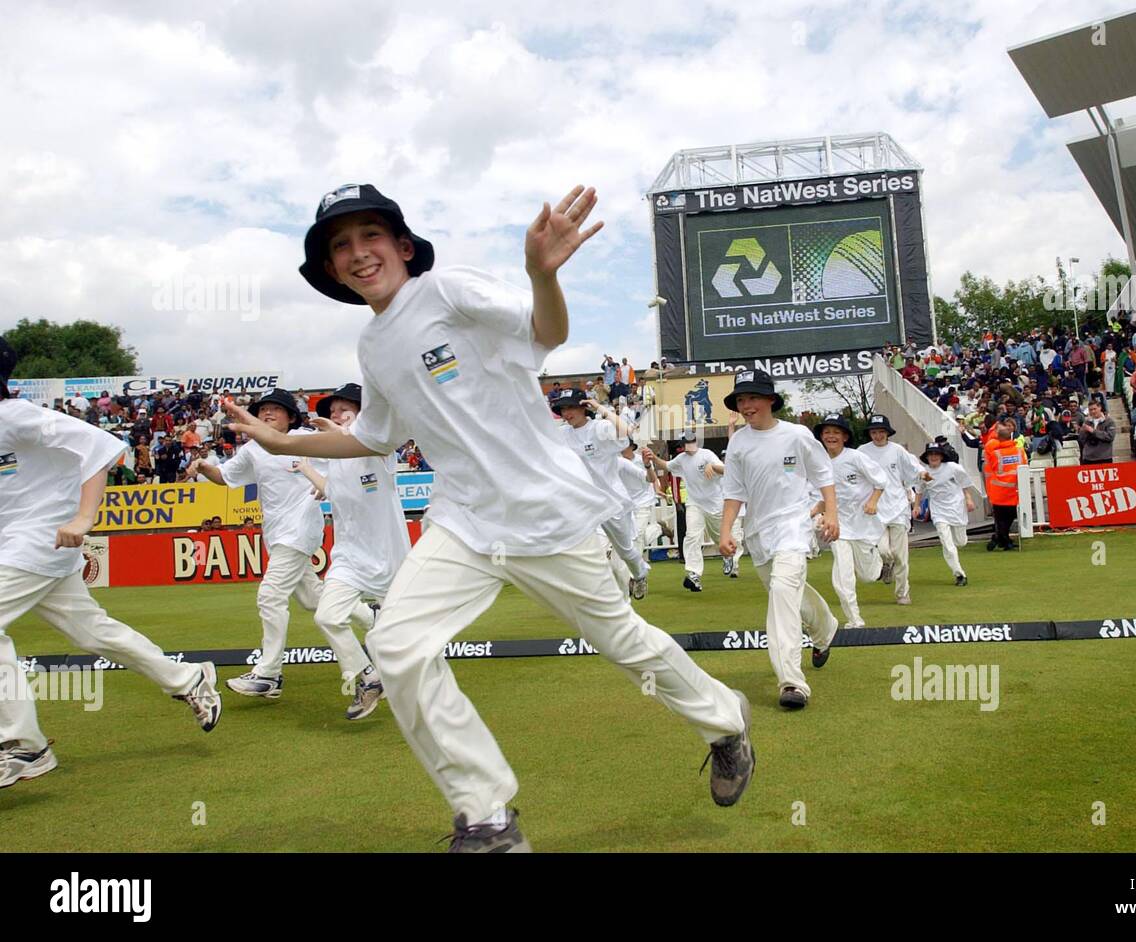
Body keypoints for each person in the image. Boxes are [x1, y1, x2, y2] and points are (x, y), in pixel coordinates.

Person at [227, 182, 753, 851]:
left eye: (371, 236)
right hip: (467, 521)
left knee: (626, 644)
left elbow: (546, 332)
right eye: (341, 246)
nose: (359, 253)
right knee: (396, 646)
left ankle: (723, 720)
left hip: (547, 513)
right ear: (331, 270)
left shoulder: (445, 291)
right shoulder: (371, 348)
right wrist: (283, 442)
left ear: (403, 246)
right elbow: (375, 436)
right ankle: (488, 817)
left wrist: (541, 272)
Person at [0, 338, 220, 790]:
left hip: (39, 542)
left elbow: (101, 444)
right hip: (29, 547)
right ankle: (189, 677)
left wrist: (84, 517)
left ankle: (25, 744)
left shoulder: (14, 416)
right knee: (93, 630)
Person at [187, 388, 376, 699]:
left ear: (291, 416)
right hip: (275, 534)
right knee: (313, 598)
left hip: (301, 529)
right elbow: (223, 476)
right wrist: (204, 467)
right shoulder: (253, 449)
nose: (268, 413)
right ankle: (371, 616)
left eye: (276, 409)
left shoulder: (306, 439)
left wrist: (331, 483)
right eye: (263, 410)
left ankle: (269, 673)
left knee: (271, 595)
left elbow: (347, 458)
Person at [718, 370, 838, 710]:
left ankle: (792, 683)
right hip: (758, 534)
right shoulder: (739, 441)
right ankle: (826, 628)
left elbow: (824, 475)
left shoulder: (797, 435)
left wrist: (832, 514)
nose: (746, 406)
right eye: (741, 400)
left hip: (794, 528)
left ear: (771, 400)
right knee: (789, 595)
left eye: (753, 398)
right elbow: (734, 491)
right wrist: (727, 532)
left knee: (783, 594)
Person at [292, 383, 412, 720]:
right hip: (348, 557)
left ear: (362, 414)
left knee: (400, 639)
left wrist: (339, 432)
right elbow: (332, 490)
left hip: (391, 558)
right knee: (327, 617)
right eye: (331, 412)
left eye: (344, 410)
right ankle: (370, 678)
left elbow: (369, 442)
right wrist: (306, 469)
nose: (335, 416)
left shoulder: (380, 446)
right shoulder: (334, 460)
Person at [552, 387, 650, 600]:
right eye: (563, 409)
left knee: (625, 551)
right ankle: (601, 597)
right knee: (587, 549)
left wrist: (600, 408)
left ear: (583, 407)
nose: (566, 414)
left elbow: (626, 431)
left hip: (613, 501)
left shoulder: (600, 428)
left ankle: (640, 574)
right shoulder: (561, 434)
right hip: (585, 503)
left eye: (571, 408)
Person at [644, 430, 743, 590]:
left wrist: (713, 467)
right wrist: (653, 458)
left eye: (688, 442)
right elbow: (667, 466)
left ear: (695, 441)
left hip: (714, 504)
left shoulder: (707, 454)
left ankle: (727, 556)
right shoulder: (682, 459)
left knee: (720, 538)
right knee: (691, 536)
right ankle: (693, 574)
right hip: (694, 504)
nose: (686, 446)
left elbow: (726, 470)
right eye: (684, 444)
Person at [812, 413, 886, 628]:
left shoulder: (856, 457)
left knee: (869, 576)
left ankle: (880, 563)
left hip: (864, 525)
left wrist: (873, 501)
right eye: (827, 432)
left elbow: (880, 481)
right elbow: (822, 498)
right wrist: (812, 514)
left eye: (836, 432)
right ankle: (855, 619)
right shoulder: (819, 463)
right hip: (838, 527)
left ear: (845, 436)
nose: (831, 436)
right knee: (842, 577)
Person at [858, 414, 922, 605]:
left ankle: (902, 592)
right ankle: (886, 563)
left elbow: (913, 469)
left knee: (901, 555)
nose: (877, 435)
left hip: (898, 507)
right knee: (884, 550)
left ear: (887, 433)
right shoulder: (862, 452)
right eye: (874, 432)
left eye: (881, 432)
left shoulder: (897, 451)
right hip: (874, 508)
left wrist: (923, 474)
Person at [915, 442, 978, 586]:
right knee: (947, 543)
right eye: (931, 454)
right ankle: (959, 574)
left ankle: (954, 548)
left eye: (936, 454)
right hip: (938, 511)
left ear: (941, 455)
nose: (934, 457)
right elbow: (919, 490)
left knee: (960, 542)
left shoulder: (953, 468)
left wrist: (968, 499)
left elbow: (965, 483)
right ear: (927, 457)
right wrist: (916, 506)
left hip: (956, 508)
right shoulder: (924, 473)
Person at [983, 417, 1024, 551]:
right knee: (1010, 517)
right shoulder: (1019, 451)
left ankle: (1001, 538)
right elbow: (1024, 466)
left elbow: (991, 466)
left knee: (1000, 518)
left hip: (998, 489)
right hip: (1014, 489)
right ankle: (1002, 539)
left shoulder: (994, 452)